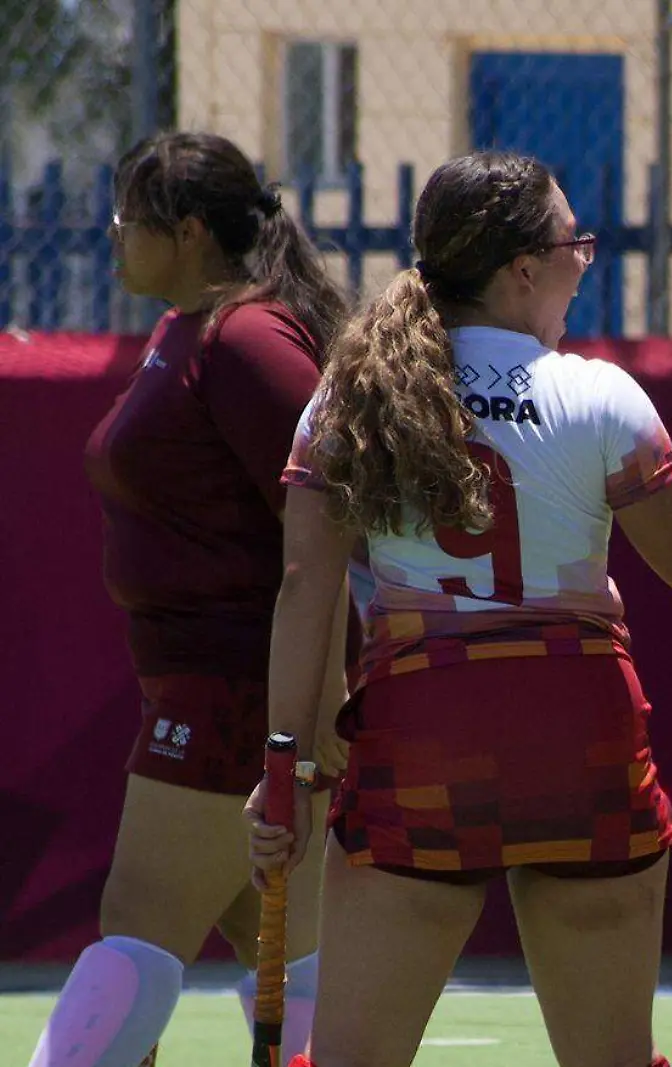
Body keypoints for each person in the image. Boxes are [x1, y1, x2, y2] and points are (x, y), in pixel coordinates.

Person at [243, 150, 672, 1067]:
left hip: (427, 740)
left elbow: (306, 591)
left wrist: (286, 772)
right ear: (523, 270)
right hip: (579, 739)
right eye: (574, 243)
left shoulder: (351, 398)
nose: (587, 261)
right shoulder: (596, 396)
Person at [31, 131, 350, 1067]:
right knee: (283, 957)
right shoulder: (191, 330)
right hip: (204, 686)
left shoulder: (250, 338)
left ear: (193, 231)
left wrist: (317, 709)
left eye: (130, 219)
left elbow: (337, 514)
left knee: (135, 934)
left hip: (236, 693)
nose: (112, 235)